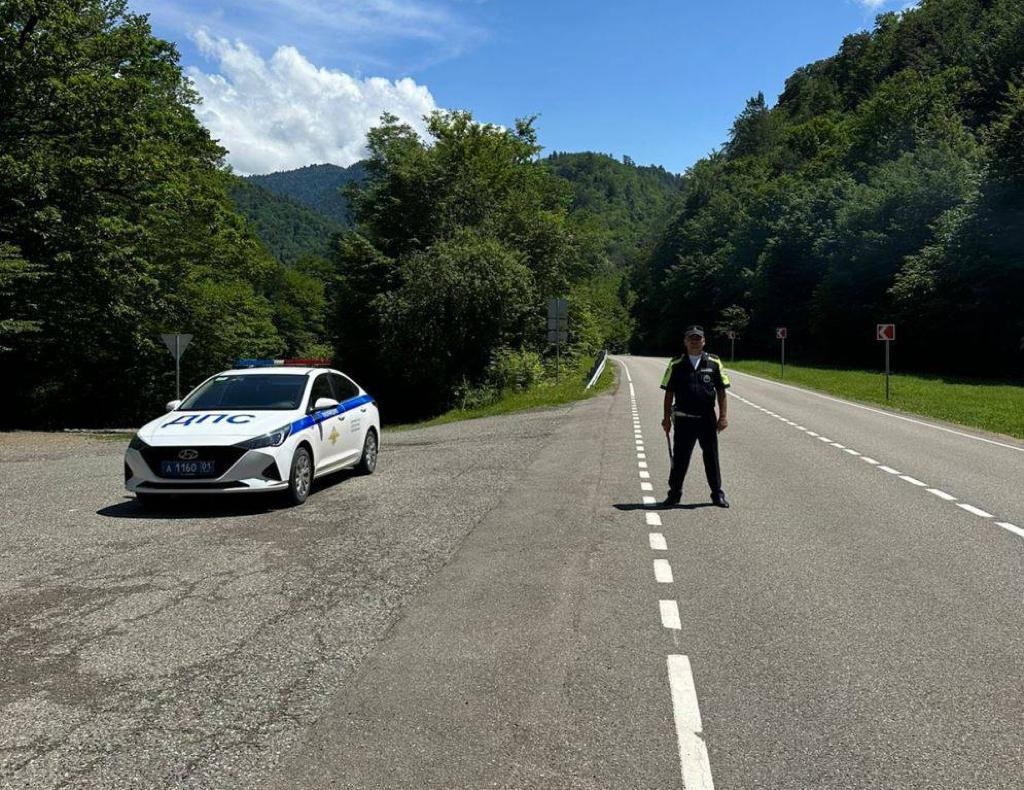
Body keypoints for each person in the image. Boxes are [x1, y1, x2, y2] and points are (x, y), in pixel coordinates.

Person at [660, 325, 730, 507]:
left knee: (711, 457)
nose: (695, 341)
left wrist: (723, 416)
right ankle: (674, 494)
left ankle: (717, 495)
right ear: (685, 341)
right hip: (684, 419)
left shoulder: (714, 362)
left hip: (707, 419)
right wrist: (666, 418)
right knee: (680, 459)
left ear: (704, 341)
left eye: (698, 338)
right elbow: (668, 393)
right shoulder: (676, 364)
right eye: (691, 338)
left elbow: (722, 391)